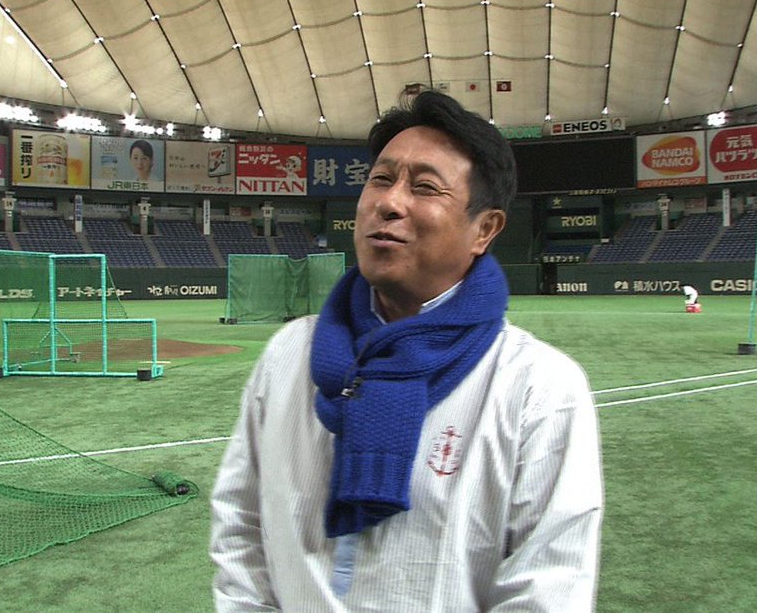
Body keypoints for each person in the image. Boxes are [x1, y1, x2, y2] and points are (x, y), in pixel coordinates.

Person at [210, 90, 604, 611]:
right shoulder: (290, 353)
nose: (389, 203)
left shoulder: (539, 386)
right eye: (380, 179)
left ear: (484, 229)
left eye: (424, 187)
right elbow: (240, 524)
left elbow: (547, 589)